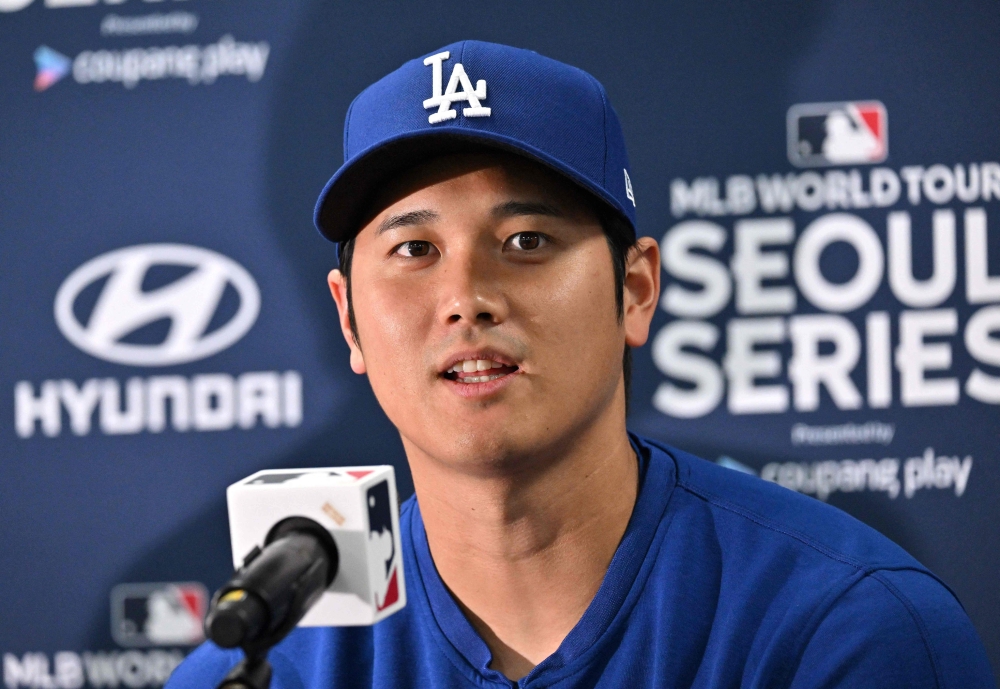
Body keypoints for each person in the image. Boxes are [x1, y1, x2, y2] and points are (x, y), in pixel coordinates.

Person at [168, 40, 996, 688]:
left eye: (526, 242)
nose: (466, 298)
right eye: (415, 248)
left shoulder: (846, 629)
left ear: (634, 288)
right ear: (349, 316)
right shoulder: (265, 670)